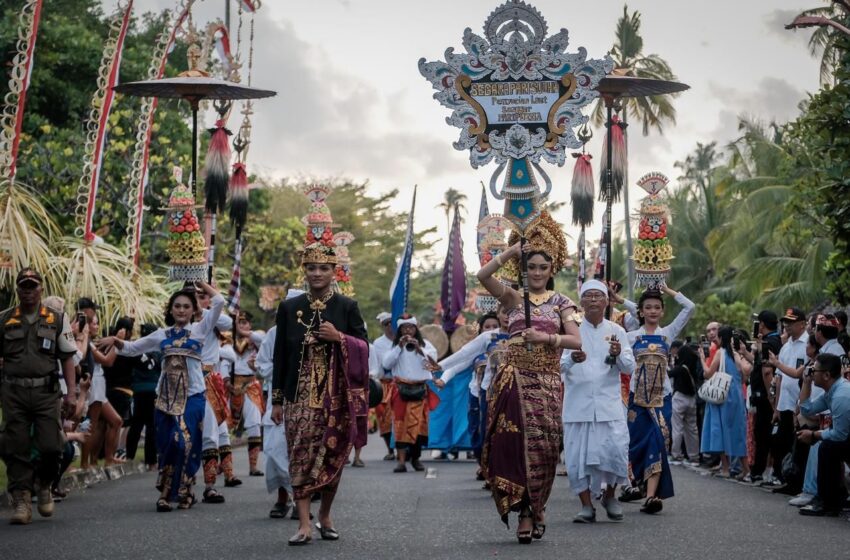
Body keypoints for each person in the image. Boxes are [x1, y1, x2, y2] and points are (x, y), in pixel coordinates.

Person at [476, 212, 581, 544]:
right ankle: (524, 512)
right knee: (514, 445)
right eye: (531, 267)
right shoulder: (511, 297)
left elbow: (576, 340)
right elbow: (482, 275)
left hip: (547, 385)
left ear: (552, 270)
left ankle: (539, 506)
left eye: (542, 268)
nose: (536, 273)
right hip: (515, 381)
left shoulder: (563, 303)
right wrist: (509, 253)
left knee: (545, 451)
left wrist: (548, 339)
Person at [270, 243, 369, 546]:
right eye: (311, 268)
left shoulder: (346, 306)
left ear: (333, 271)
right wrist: (276, 399)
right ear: (305, 271)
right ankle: (304, 524)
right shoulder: (289, 307)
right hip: (298, 395)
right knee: (299, 455)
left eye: (323, 268)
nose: (316, 273)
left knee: (331, 454)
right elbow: (281, 356)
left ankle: (325, 515)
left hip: (334, 395)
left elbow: (365, 347)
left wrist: (339, 337)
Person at [98, 281, 223, 512]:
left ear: (193, 309)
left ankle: (184, 489)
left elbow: (219, 302)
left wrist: (202, 284)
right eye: (177, 306)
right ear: (171, 309)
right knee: (167, 445)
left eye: (187, 306)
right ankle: (166, 492)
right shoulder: (161, 334)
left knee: (184, 441)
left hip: (193, 396)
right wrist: (116, 341)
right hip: (165, 399)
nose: (182, 310)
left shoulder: (200, 330)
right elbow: (133, 348)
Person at [1, 268, 78, 525]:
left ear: (40, 289)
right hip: (14, 392)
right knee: (16, 445)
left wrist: (72, 394)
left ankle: (44, 483)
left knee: (51, 445)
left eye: (32, 286)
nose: (28, 291)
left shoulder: (56, 319)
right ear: (17, 290)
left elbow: (67, 357)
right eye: (24, 286)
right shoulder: (4, 319)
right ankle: (21, 499)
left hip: (46, 392)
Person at [560, 279, 635, 523]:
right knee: (577, 458)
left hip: (608, 405)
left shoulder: (617, 331)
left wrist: (616, 354)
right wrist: (572, 359)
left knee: (615, 451)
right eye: (588, 296)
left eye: (598, 296)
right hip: (578, 406)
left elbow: (630, 366)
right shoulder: (571, 333)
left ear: (606, 301)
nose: (593, 300)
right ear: (580, 301)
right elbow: (557, 366)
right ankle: (586, 506)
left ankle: (610, 496)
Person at [619, 285, 695, 513]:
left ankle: (652, 496)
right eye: (647, 308)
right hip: (637, 399)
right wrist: (623, 301)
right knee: (637, 444)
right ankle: (641, 484)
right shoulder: (630, 337)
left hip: (662, 399)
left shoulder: (668, 334)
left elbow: (690, 307)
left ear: (662, 311)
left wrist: (667, 290)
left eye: (657, 307)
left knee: (658, 441)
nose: (652, 311)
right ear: (640, 312)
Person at [436, 309, 508, 470]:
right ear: (481, 330)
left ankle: (500, 470)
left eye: (493, 326)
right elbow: (458, 363)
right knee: (479, 432)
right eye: (487, 327)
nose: (490, 329)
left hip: (509, 392)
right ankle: (484, 464)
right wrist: (442, 376)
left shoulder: (518, 337)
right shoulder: (481, 346)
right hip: (481, 394)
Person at [256, 289, 303, 520]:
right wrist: (283, 372)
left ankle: (299, 503)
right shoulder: (274, 333)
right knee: (275, 449)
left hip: (306, 399)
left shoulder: (315, 331)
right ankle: (283, 498)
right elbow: (262, 364)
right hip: (279, 399)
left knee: (300, 452)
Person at [383, 315, 440, 473]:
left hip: (419, 390)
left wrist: (419, 349)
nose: (408, 330)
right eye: (405, 327)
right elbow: (386, 363)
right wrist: (399, 347)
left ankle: (416, 459)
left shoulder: (426, 344)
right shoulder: (395, 346)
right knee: (400, 425)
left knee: (419, 426)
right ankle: (401, 462)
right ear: (400, 330)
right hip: (401, 390)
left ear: (416, 329)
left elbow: (434, 363)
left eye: (411, 327)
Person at [797, 353, 850, 516]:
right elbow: (806, 409)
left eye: (815, 370)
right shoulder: (832, 390)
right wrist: (806, 383)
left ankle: (829, 502)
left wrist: (814, 435)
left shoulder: (841, 395)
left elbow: (840, 435)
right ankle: (833, 500)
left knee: (828, 447)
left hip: (845, 436)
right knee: (828, 447)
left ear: (826, 375)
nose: (811, 373)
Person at [700, 327, 751, 479]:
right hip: (736, 395)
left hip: (722, 395)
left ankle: (726, 468)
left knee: (721, 430)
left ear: (721, 338)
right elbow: (744, 375)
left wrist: (703, 359)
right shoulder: (736, 354)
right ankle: (745, 469)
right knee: (738, 431)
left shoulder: (720, 353)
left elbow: (708, 374)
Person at [767, 307, 809, 489]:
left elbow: (801, 376)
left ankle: (798, 483)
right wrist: (776, 407)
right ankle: (787, 480)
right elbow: (779, 379)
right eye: (786, 322)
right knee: (783, 444)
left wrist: (777, 364)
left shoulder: (808, 345)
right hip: (784, 403)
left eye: (791, 322)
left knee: (798, 446)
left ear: (802, 323)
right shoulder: (786, 347)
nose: (787, 326)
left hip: (798, 404)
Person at [224, 310, 266, 476]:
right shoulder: (226, 340)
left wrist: (245, 334)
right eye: (238, 322)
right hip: (231, 385)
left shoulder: (256, 339)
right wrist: (227, 381)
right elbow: (224, 363)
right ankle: (224, 465)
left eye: (244, 323)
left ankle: (253, 466)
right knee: (225, 425)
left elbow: (264, 342)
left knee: (254, 424)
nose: (241, 325)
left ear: (249, 325)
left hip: (250, 385)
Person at [746, 310, 783, 483]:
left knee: (763, 434)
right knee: (765, 434)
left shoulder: (771, 342)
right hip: (767, 395)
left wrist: (770, 396)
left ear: (761, 324)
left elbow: (767, 371)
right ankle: (765, 471)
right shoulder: (774, 341)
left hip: (766, 397)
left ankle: (761, 471)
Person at [126, 323, 161, 470]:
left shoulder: (136, 349)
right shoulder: (158, 351)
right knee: (152, 426)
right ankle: (151, 462)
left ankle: (129, 457)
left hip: (139, 392)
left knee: (136, 425)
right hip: (153, 391)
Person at [668, 343, 701, 465]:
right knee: (692, 429)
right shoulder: (694, 366)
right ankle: (694, 455)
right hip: (692, 399)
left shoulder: (680, 368)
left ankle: (676, 454)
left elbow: (669, 374)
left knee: (677, 427)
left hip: (679, 398)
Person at [371, 311, 396, 461]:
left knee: (400, 417)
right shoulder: (378, 344)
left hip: (399, 383)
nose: (389, 327)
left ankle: (402, 449)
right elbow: (377, 365)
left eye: (391, 323)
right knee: (384, 418)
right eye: (386, 324)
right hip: (384, 384)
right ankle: (390, 449)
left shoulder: (403, 340)